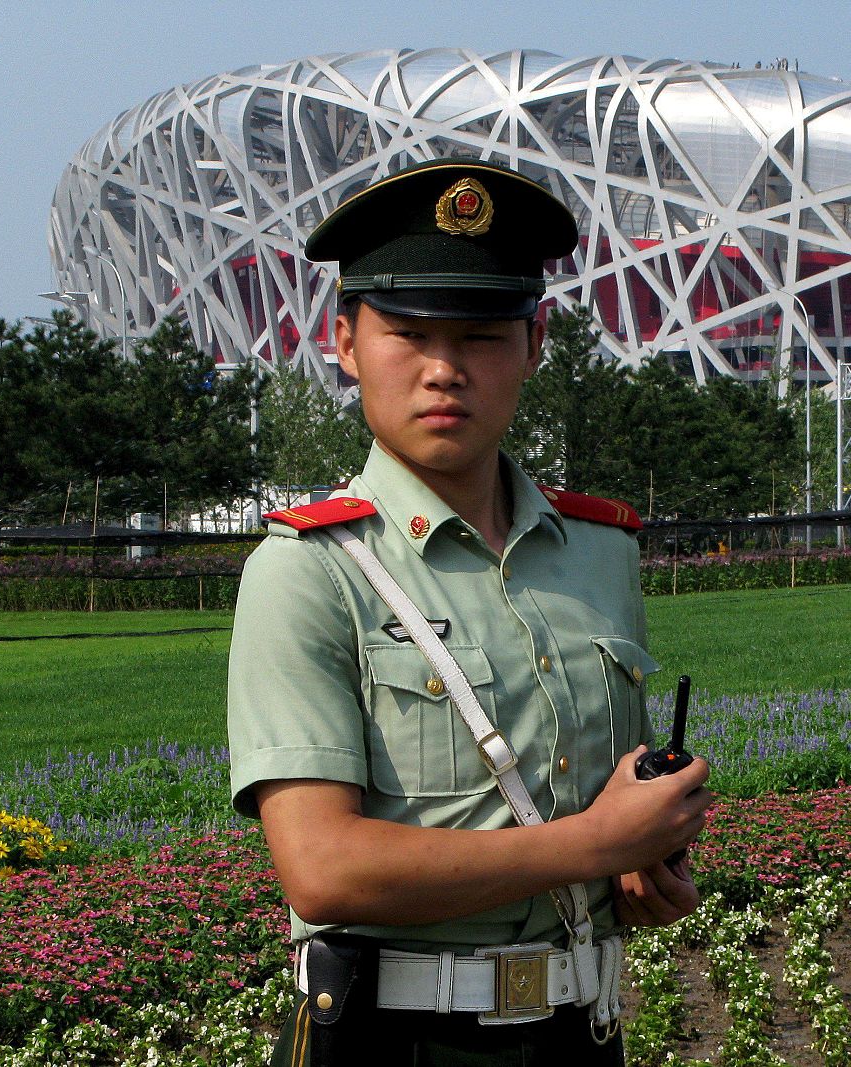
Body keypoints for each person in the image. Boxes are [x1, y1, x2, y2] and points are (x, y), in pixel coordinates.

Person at [226, 158, 712, 1066]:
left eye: (483, 335)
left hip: (581, 1025)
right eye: (407, 332)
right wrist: (592, 842)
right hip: (395, 1041)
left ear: (536, 343)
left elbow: (604, 804)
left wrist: (644, 858)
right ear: (344, 341)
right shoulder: (308, 572)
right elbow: (324, 868)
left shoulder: (599, 552)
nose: (443, 369)